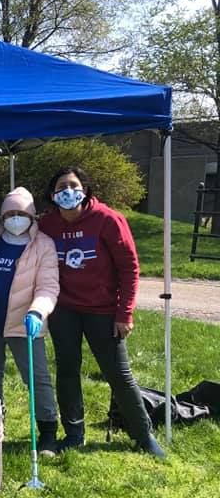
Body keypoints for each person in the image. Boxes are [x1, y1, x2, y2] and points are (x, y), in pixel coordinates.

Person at [38, 166, 165, 459]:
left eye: (73, 184)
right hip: (64, 310)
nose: (68, 191)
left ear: (85, 189)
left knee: (118, 374)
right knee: (67, 371)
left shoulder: (107, 220)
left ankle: (143, 435)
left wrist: (125, 313)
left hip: (104, 312)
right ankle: (74, 434)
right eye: (61, 187)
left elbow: (129, 268)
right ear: (52, 194)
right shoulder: (47, 224)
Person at [0, 187, 60, 454]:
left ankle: (48, 432)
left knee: (37, 379)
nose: (16, 218)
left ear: (31, 216)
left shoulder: (43, 245)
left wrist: (38, 311)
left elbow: (48, 287)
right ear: (2, 216)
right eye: (10, 213)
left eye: (21, 213)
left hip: (25, 325)